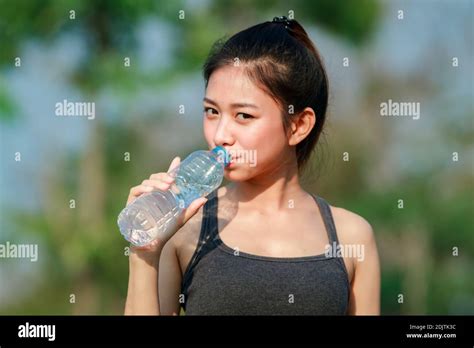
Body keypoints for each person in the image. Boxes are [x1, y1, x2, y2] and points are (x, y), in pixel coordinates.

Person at [124, 16, 380, 315]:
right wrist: (144, 255)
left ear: (298, 125)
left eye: (243, 116)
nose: (220, 135)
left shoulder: (351, 236)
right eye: (211, 111)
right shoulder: (183, 227)